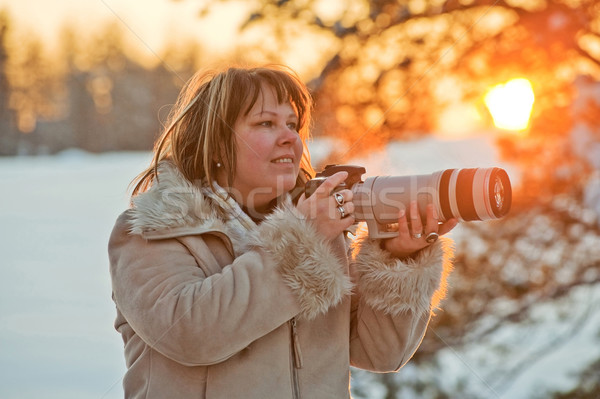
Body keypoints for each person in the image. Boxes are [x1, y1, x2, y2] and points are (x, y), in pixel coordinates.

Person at [108, 64, 457, 398]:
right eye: (265, 123)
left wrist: (398, 260)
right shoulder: (153, 232)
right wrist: (302, 241)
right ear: (215, 143)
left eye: (293, 124)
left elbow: (379, 353)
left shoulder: (318, 230)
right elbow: (190, 334)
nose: (290, 137)